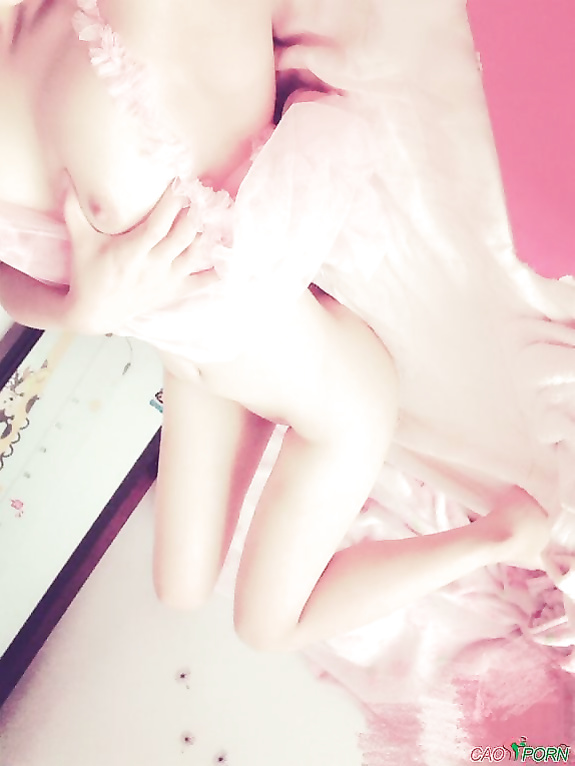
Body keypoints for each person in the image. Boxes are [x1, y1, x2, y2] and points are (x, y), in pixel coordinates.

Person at [0, 0, 573, 658]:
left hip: (334, 402)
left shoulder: (141, 27)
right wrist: (79, 313)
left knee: (264, 628)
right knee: (180, 592)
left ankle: (499, 535)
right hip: (194, 357)